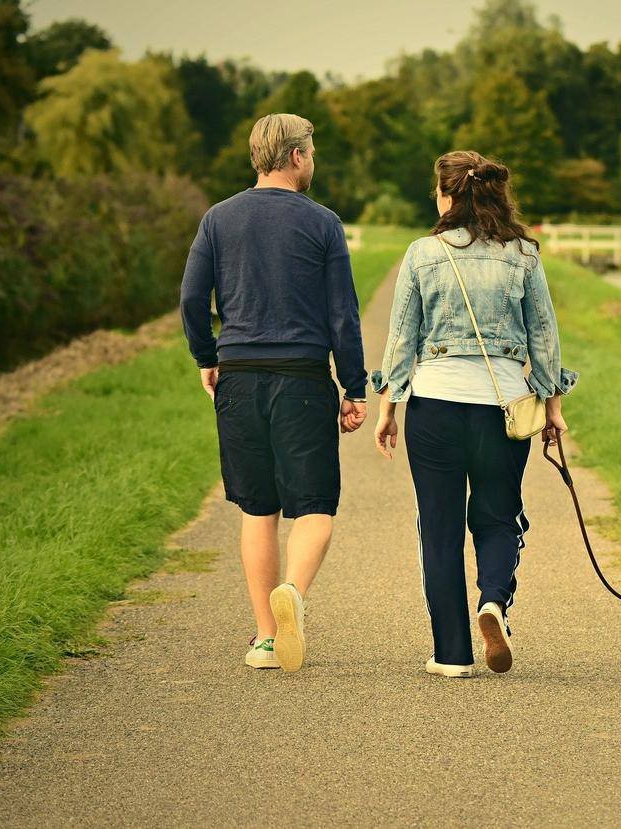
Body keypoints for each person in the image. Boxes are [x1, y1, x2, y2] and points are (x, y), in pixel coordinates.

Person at [371, 150, 577, 678]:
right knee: (498, 515)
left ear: (447, 195)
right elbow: (545, 340)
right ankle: (493, 601)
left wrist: (388, 408)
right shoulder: (524, 256)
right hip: (504, 409)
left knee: (438, 528)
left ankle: (451, 654)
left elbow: (401, 340)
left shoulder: (422, 254)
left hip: (435, 406)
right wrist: (552, 408)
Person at [179, 113, 368, 673]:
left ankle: (265, 636)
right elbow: (343, 315)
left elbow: (192, 299)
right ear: (294, 157)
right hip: (302, 380)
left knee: (258, 509)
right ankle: (293, 592)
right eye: (310, 152)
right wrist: (353, 388)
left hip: (238, 376)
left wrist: (207, 357)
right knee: (313, 507)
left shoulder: (217, 219)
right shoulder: (324, 224)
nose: (313, 160)